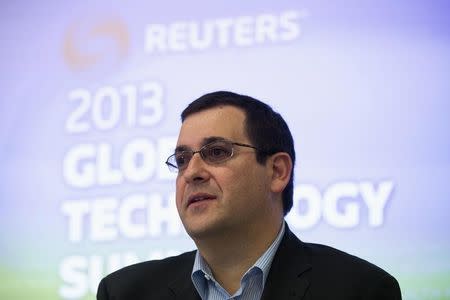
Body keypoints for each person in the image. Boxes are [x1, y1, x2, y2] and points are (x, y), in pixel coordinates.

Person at [97, 91, 402, 299]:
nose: (192, 172)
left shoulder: (360, 289)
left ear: (277, 172)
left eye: (216, 152)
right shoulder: (126, 292)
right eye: (182, 160)